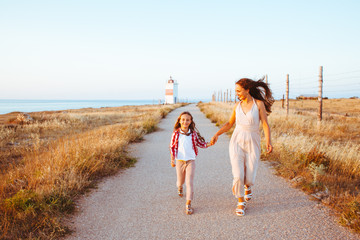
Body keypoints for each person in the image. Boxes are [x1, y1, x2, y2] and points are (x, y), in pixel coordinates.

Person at [210, 77, 274, 216]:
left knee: (249, 177)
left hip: (253, 141)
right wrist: (217, 134)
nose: (236, 93)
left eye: (239, 91)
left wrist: (268, 141)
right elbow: (229, 124)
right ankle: (240, 201)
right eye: (235, 91)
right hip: (237, 141)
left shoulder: (258, 104)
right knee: (238, 175)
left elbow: (264, 124)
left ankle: (248, 187)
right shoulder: (236, 106)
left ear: (247, 90)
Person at [169, 111, 212, 215]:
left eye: (187, 120)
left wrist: (209, 144)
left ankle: (188, 204)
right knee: (180, 181)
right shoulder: (176, 133)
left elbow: (200, 143)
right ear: (179, 121)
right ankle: (179, 187)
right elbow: (172, 147)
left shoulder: (193, 134)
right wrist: (172, 159)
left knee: (189, 182)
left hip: (190, 161)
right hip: (179, 161)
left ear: (191, 121)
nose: (185, 122)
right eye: (183, 119)